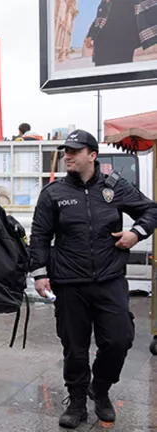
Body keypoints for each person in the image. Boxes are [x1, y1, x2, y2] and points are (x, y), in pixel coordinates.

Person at [28, 129, 157, 428]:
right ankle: (76, 401)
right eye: (66, 151)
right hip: (69, 283)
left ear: (92, 155)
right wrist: (39, 273)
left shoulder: (115, 187)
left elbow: (150, 210)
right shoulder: (54, 193)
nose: (68, 156)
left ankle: (99, 389)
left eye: (74, 151)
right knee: (74, 346)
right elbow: (40, 236)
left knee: (120, 339)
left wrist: (135, 233)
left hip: (110, 279)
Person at [85, 0, 140, 67]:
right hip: (102, 49)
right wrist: (90, 35)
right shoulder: (103, 3)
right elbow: (99, 19)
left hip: (122, 46)